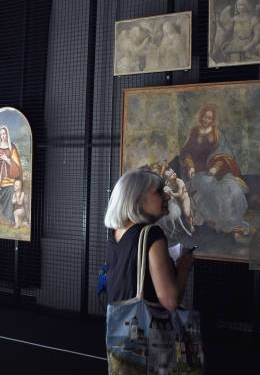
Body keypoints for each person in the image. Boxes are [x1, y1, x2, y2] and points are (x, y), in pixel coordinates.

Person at [104, 168, 193, 312]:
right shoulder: (152, 234)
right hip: (146, 330)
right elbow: (170, 302)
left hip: (119, 324)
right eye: (159, 192)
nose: (167, 197)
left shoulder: (116, 232)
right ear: (137, 199)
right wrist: (183, 267)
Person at [179, 105, 250, 239]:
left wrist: (215, 168)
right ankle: (220, 225)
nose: (206, 120)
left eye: (210, 118)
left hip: (217, 172)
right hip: (198, 172)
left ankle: (232, 225)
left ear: (213, 119)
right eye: (205, 117)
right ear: (201, 117)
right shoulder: (194, 132)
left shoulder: (217, 134)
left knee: (232, 188)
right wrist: (190, 166)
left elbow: (225, 155)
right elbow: (185, 152)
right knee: (209, 187)